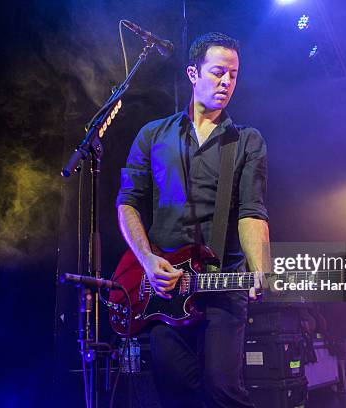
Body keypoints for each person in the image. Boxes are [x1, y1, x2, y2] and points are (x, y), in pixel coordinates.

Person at [116, 32, 270, 407]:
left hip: (223, 281)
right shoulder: (153, 135)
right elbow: (128, 203)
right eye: (218, 72)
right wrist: (147, 260)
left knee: (222, 389)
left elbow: (252, 211)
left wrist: (261, 266)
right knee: (175, 388)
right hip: (165, 288)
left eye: (233, 75)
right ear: (192, 73)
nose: (226, 82)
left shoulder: (246, 140)